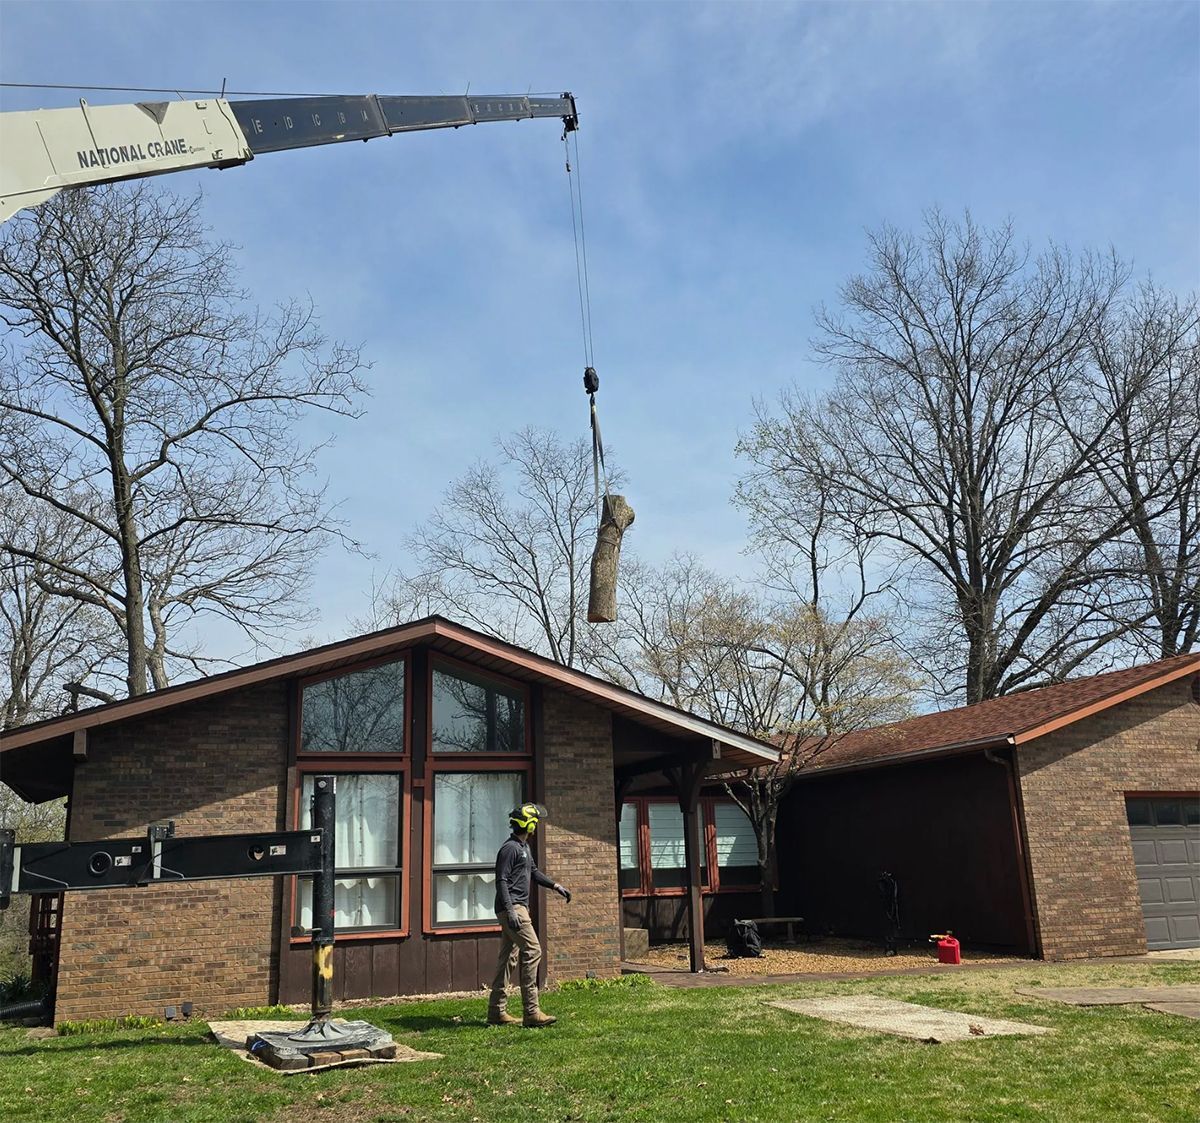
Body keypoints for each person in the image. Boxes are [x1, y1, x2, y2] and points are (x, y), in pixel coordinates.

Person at [488, 802, 571, 1027]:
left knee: (508, 958)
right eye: (535, 822)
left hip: (516, 908)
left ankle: (496, 1011)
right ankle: (532, 1012)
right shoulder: (510, 849)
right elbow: (501, 880)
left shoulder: (524, 847)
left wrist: (555, 885)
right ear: (529, 824)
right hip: (512, 908)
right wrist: (511, 909)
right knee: (533, 950)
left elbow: (532, 871)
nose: (536, 826)